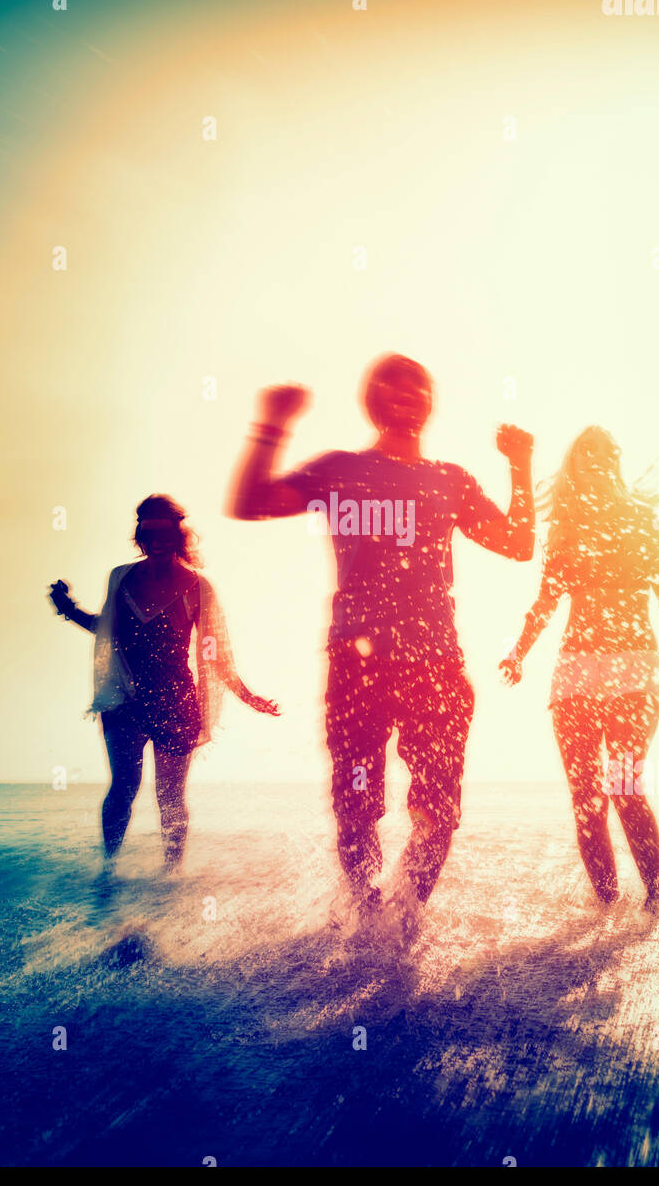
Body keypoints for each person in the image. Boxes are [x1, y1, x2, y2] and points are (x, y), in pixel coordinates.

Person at [227, 354, 534, 939]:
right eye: (389, 386)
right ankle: (369, 919)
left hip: (437, 665)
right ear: (371, 401)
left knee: (440, 809)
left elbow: (518, 544)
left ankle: (406, 918)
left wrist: (520, 466)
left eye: (417, 385)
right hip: (356, 663)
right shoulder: (340, 470)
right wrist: (271, 425)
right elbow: (251, 502)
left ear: (430, 401)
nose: (404, 394)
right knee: (356, 801)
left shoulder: (451, 480)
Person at [501, 428, 659, 909]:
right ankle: (606, 913)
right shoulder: (565, 528)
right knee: (587, 797)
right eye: (588, 454)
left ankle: (655, 901)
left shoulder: (644, 519)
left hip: (633, 665)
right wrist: (518, 652)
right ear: (576, 466)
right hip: (577, 668)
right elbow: (546, 601)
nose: (597, 460)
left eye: (606, 453)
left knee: (624, 785)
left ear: (615, 463)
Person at [49, 495, 279, 867]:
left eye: (164, 531)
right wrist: (69, 610)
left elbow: (213, 652)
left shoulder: (197, 587)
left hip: (176, 702)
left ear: (177, 535)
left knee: (169, 797)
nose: (155, 540)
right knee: (124, 788)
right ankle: (107, 874)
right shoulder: (121, 578)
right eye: (147, 531)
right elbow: (107, 631)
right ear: (140, 535)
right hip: (124, 698)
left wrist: (247, 695)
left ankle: (171, 880)